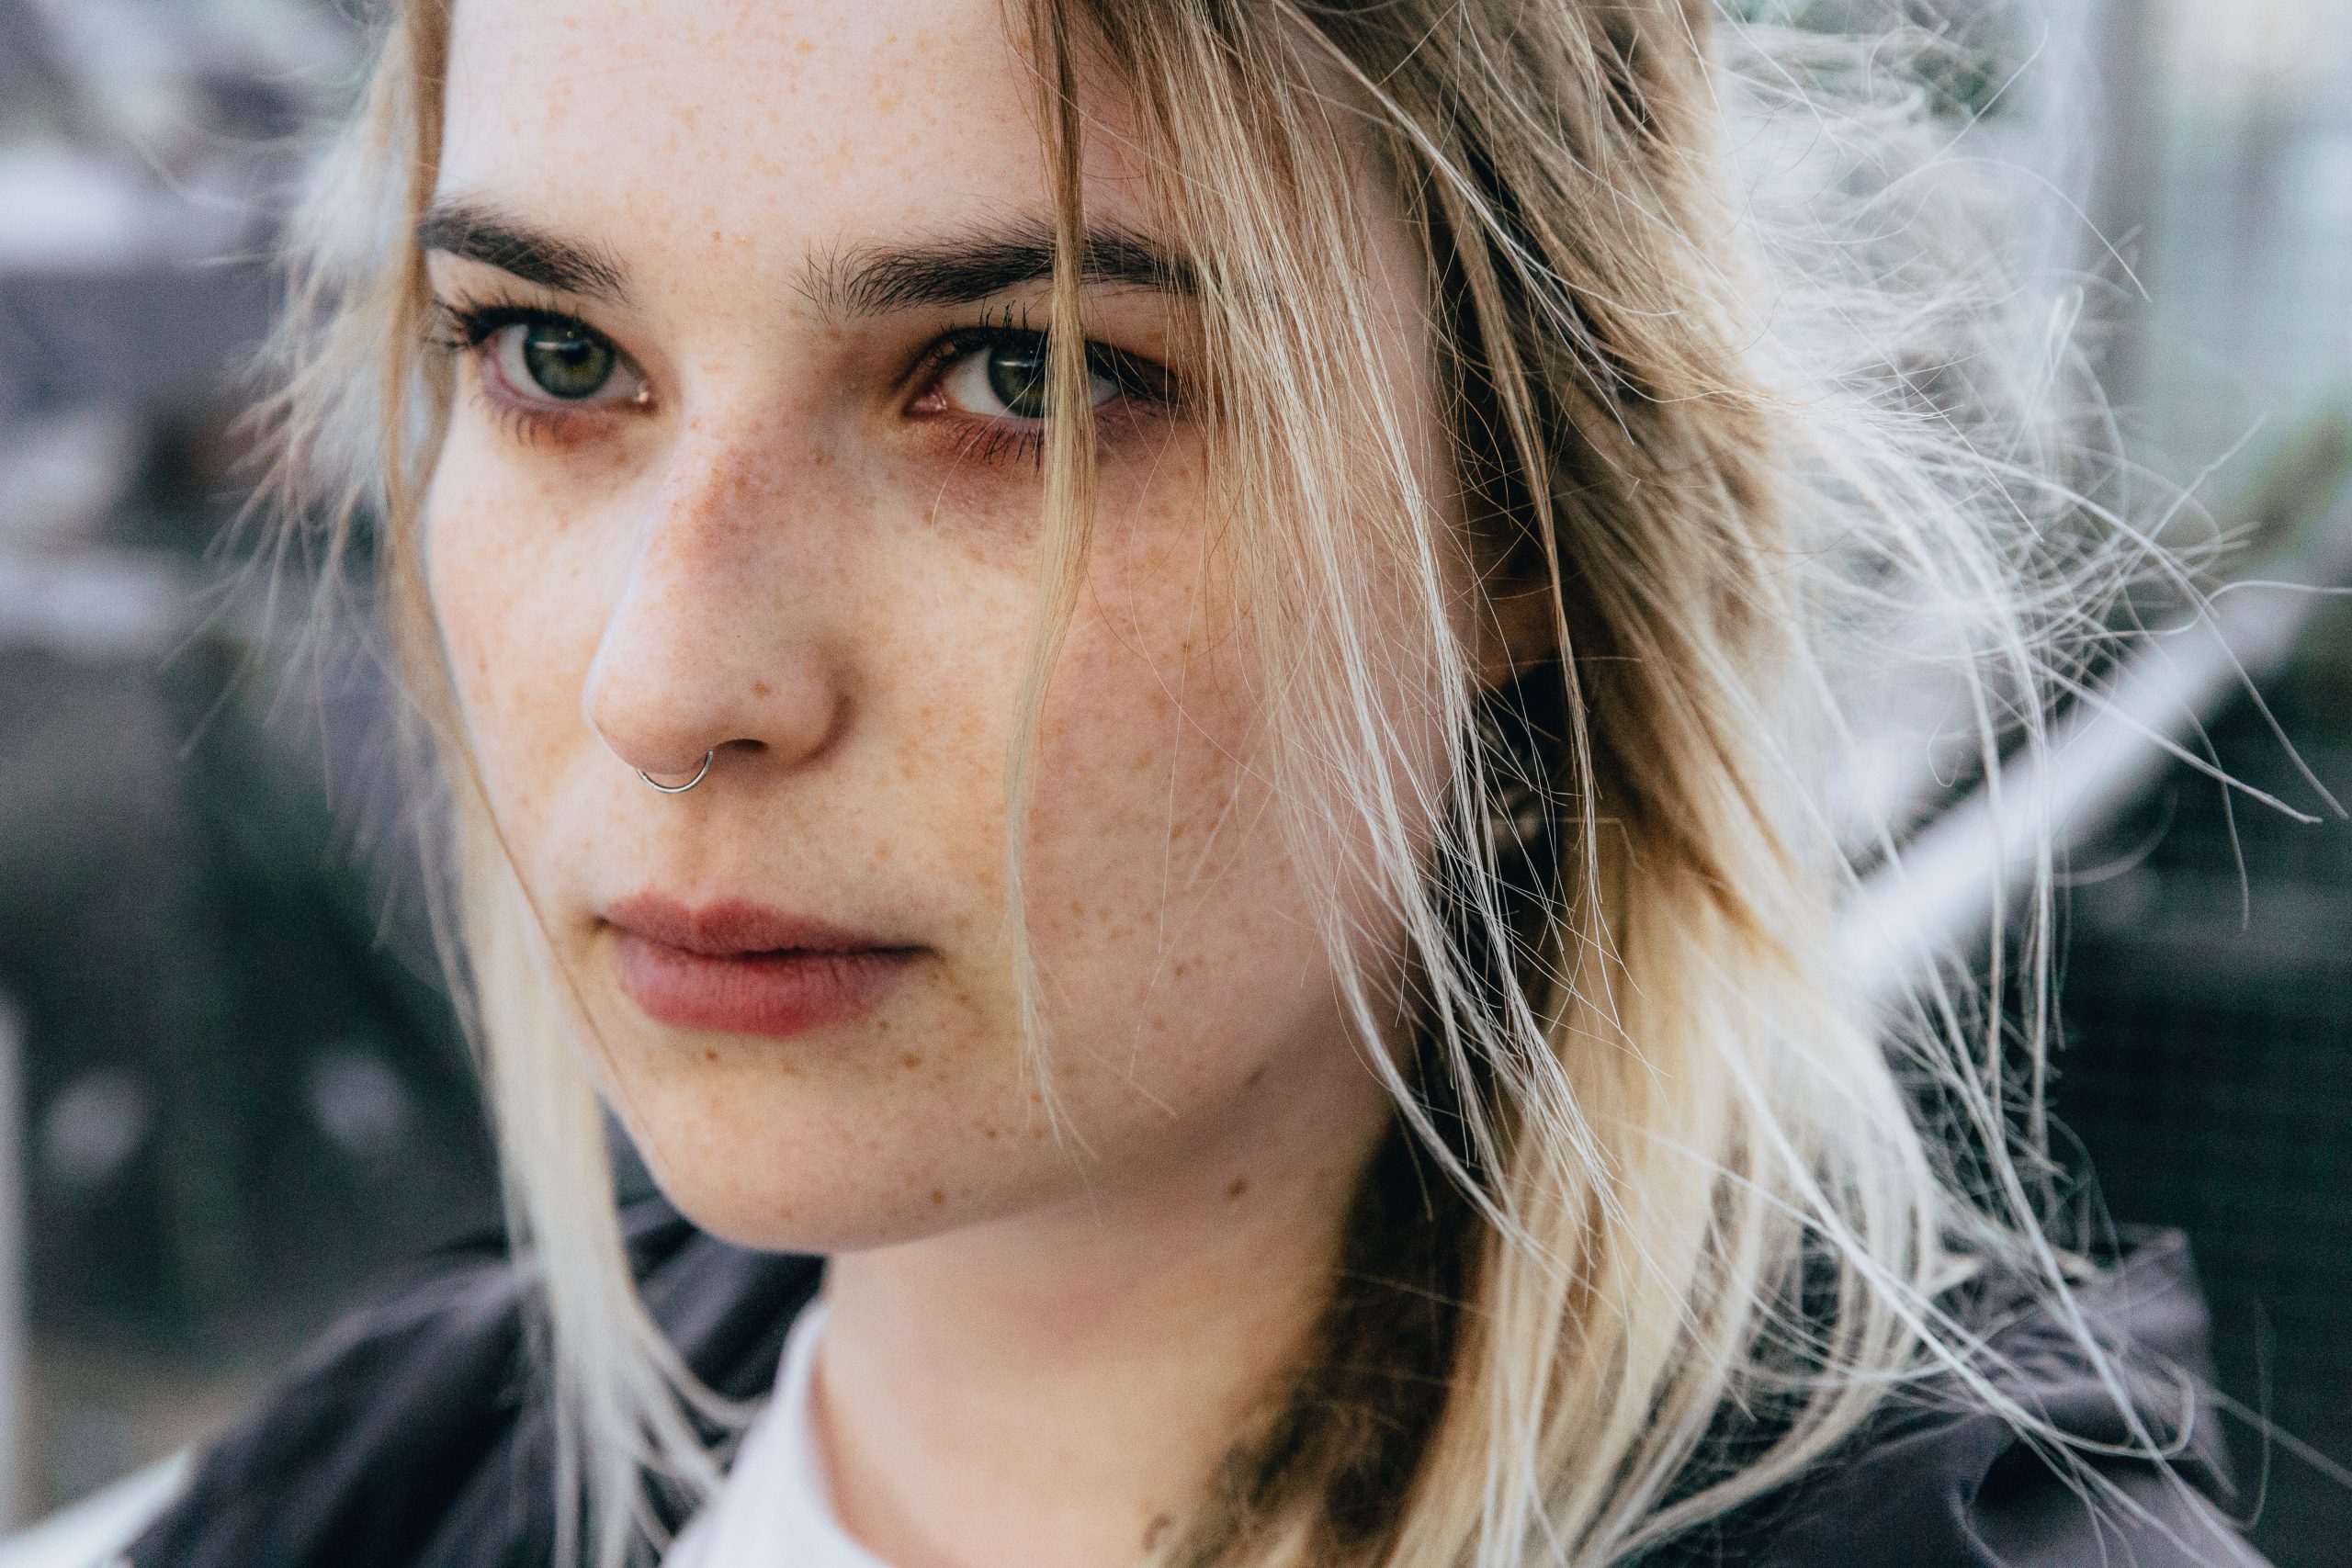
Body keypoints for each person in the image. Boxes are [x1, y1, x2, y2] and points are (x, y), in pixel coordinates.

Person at [124, 1, 2264, 1565]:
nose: (669, 681)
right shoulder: (387, 1483)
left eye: (1021, 375)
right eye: (552, 353)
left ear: (1518, 508)